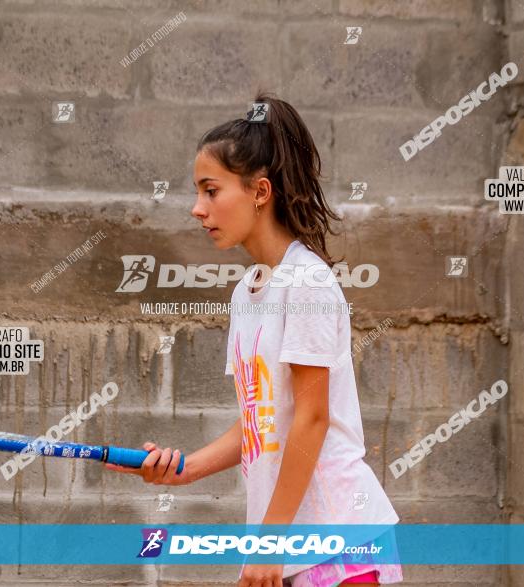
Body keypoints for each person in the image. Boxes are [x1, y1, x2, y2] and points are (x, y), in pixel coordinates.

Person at [104, 92, 403, 587]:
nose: (198, 209)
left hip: (338, 542)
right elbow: (262, 421)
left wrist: (272, 542)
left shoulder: (306, 283)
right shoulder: (248, 292)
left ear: (260, 192)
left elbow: (311, 418)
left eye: (210, 190)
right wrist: (187, 467)